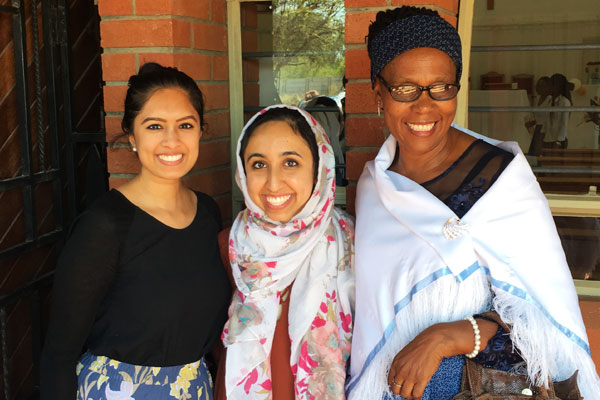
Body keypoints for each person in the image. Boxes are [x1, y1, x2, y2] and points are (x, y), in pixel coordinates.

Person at [347, 6, 600, 400]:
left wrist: (453, 335)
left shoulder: (499, 179)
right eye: (405, 89)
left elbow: (548, 324)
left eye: (441, 87)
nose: (425, 105)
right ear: (377, 91)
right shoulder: (374, 187)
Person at [40, 63, 231, 399]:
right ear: (131, 134)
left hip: (194, 388)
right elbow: (59, 353)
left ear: (201, 130)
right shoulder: (106, 225)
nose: (172, 141)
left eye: (185, 125)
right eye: (154, 126)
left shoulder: (208, 213)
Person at [214, 105, 355, 399]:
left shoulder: (352, 242)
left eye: (290, 162)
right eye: (258, 164)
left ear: (319, 167)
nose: (273, 182)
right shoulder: (230, 245)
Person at [545, 73, 574, 149]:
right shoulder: (549, 100)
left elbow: (564, 123)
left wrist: (558, 141)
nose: (549, 87)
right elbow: (547, 121)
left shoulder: (564, 102)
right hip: (548, 139)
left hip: (559, 141)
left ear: (557, 87)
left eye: (551, 85)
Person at [524, 76, 551, 156]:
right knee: (534, 154)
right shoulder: (537, 99)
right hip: (538, 129)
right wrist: (532, 123)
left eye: (542, 86)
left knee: (540, 152)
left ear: (548, 87)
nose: (539, 88)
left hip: (545, 130)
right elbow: (539, 117)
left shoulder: (549, 99)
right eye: (538, 86)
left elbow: (548, 117)